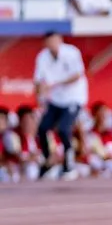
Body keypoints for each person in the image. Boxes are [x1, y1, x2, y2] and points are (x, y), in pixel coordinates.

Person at [33, 31, 88, 180]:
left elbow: (77, 75)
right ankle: (48, 160)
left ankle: (69, 164)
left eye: (55, 41)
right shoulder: (43, 56)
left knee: (64, 129)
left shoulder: (71, 53)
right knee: (43, 128)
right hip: (55, 99)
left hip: (73, 98)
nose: (52, 45)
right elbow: (38, 81)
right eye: (49, 42)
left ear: (60, 40)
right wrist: (39, 98)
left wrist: (55, 83)